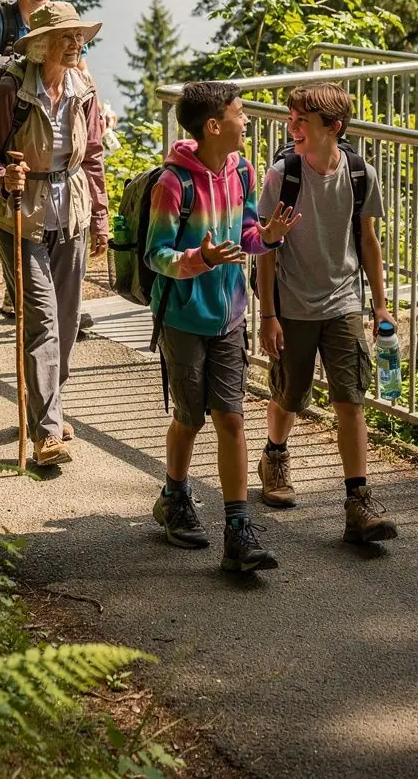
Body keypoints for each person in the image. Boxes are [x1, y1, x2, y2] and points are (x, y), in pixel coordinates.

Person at [145, 81, 300, 573]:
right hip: (184, 319)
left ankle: (238, 528)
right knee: (190, 418)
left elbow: (247, 235)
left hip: (230, 316)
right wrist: (200, 258)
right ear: (214, 126)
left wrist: (267, 237)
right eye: (240, 112)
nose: (247, 118)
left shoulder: (244, 171)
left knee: (231, 418)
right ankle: (174, 496)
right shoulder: (174, 184)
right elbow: (157, 255)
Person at [256, 82, 399, 544]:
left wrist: (379, 304)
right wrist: (268, 315)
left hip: (343, 302)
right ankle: (274, 456)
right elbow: (266, 250)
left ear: (333, 127)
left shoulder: (360, 174)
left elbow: (369, 242)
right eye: (290, 118)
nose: (291, 126)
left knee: (350, 399)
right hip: (293, 304)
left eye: (302, 121)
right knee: (289, 395)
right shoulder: (283, 176)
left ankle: (358, 502)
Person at [0, 1, 108, 467]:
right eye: (66, 38)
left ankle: (48, 401)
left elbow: (91, 155)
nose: (75, 45)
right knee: (43, 320)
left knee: (68, 321)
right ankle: (46, 433)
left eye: (78, 37)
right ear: (41, 45)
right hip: (20, 213)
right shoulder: (11, 89)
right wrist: (2, 177)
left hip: (70, 207)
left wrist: (101, 215)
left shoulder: (83, 88)